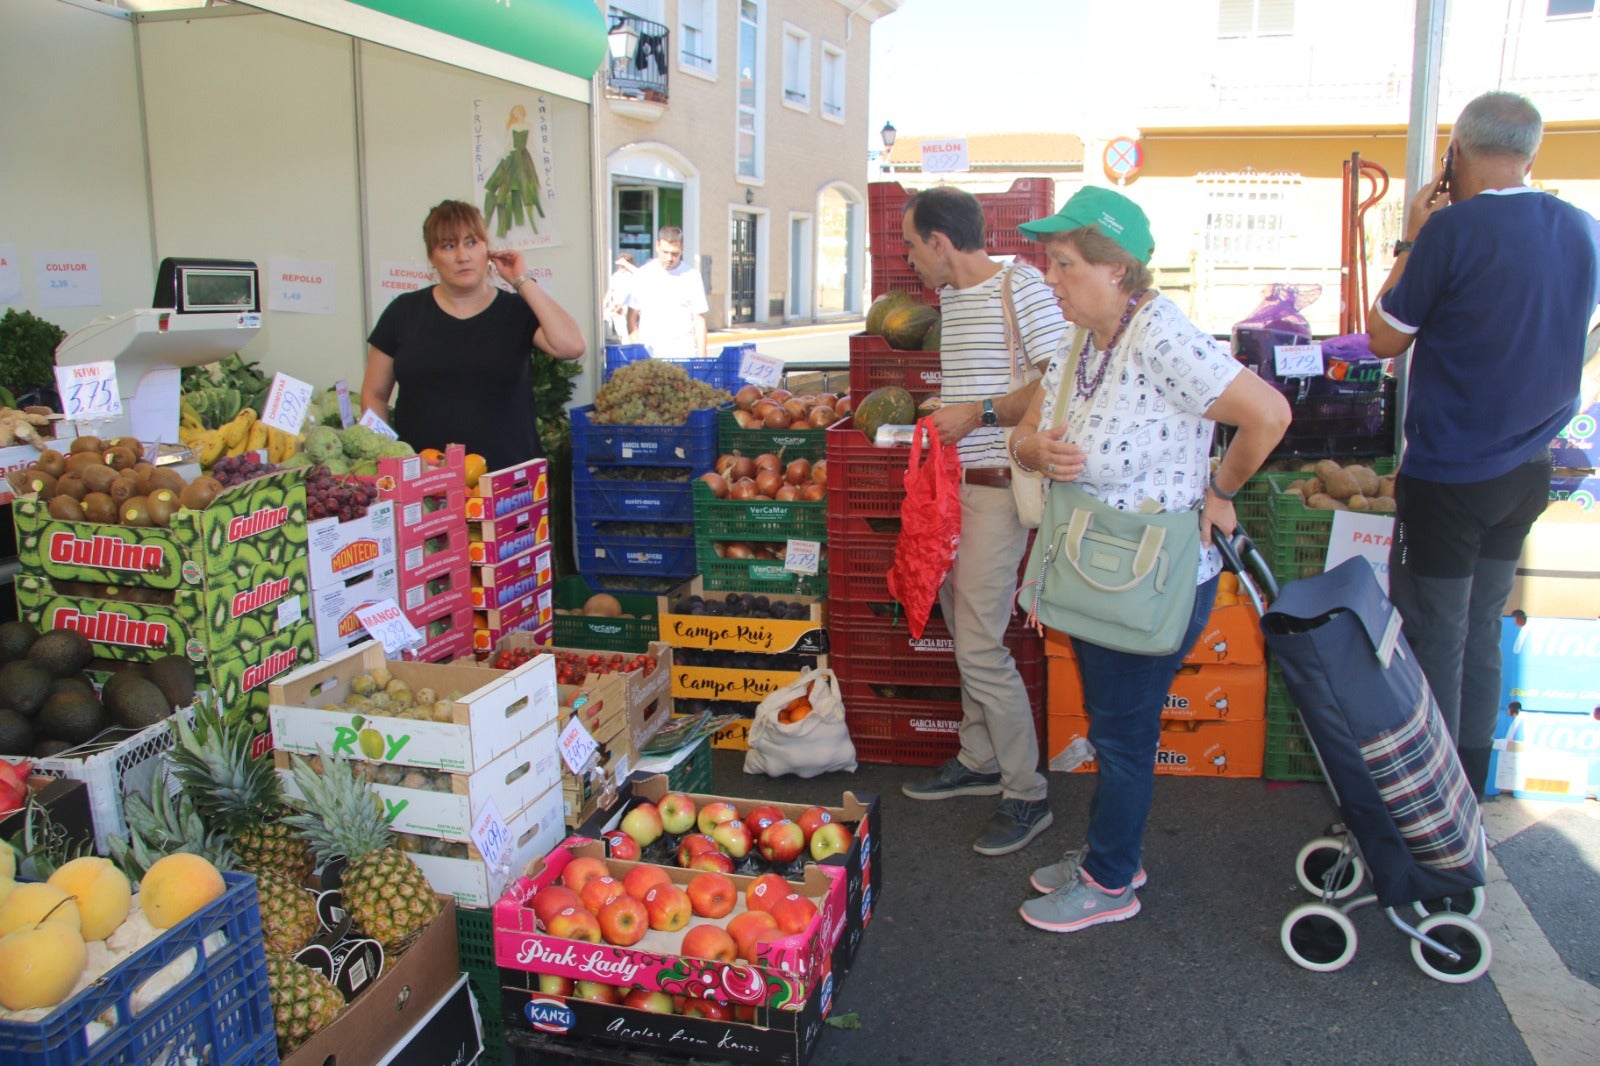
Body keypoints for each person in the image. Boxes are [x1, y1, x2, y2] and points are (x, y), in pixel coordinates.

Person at [1009, 186, 1290, 933]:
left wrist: (1220, 490)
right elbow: (1024, 434)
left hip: (1150, 577)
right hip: (1103, 566)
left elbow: (1269, 414)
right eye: (1050, 262)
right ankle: (1114, 853)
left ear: (1116, 269)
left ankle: (1109, 884)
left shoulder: (1159, 336)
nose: (1052, 277)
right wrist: (1035, 448)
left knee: (1125, 735)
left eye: (1064, 263)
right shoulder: (1083, 338)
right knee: (1115, 725)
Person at [1366, 91, 1600, 799]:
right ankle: (1469, 790)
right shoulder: (1582, 227)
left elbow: (1383, 339)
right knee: (1481, 629)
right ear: (1532, 156)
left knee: (1435, 635)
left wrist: (1412, 238)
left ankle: (1431, 809)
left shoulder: (1453, 231)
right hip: (1528, 471)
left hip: (1449, 476)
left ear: (1455, 153)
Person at [896, 187, 1070, 857]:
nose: (911, 261)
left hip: (1001, 489)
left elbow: (1059, 378)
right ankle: (979, 757)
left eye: (914, 245)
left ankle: (1026, 793)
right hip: (954, 488)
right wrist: (956, 407)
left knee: (977, 642)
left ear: (942, 242)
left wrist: (979, 414)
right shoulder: (952, 300)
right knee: (956, 611)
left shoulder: (1019, 287)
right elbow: (992, 385)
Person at [361, 200, 584, 472]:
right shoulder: (403, 311)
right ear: (432, 257)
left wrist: (521, 280)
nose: (462, 256)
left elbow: (571, 346)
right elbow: (374, 393)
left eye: (471, 242)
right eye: (448, 246)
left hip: (507, 484)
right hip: (426, 485)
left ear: (486, 250)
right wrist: (389, 457)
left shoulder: (516, 310)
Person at [626, 227, 709, 359]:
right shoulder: (642, 275)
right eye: (665, 252)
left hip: (684, 356)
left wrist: (703, 359)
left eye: (675, 253)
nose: (669, 258)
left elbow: (699, 319)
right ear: (657, 245)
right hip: (651, 358)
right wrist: (638, 351)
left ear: (682, 248)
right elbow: (631, 317)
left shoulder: (692, 276)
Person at [602, 253, 636, 341]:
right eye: (619, 265)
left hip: (627, 307)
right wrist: (605, 303)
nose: (620, 267)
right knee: (620, 333)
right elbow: (611, 290)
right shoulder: (616, 276)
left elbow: (631, 292)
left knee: (628, 333)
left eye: (622, 265)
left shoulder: (632, 275)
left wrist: (621, 305)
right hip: (616, 306)